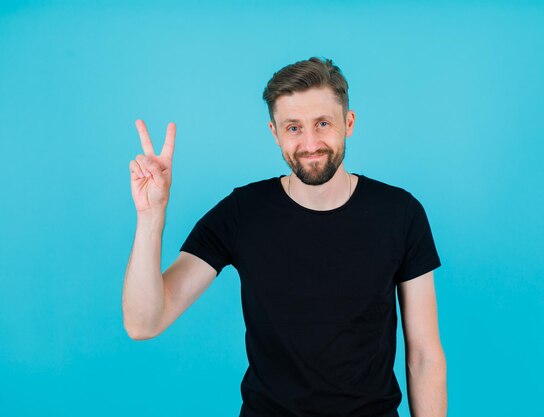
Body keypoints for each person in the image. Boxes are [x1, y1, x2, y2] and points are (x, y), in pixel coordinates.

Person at [122, 57, 447, 417]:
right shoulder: (241, 213)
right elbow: (143, 323)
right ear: (275, 133)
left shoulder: (400, 213)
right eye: (293, 128)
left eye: (322, 123)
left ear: (348, 123)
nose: (310, 143)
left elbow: (424, 356)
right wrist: (150, 216)